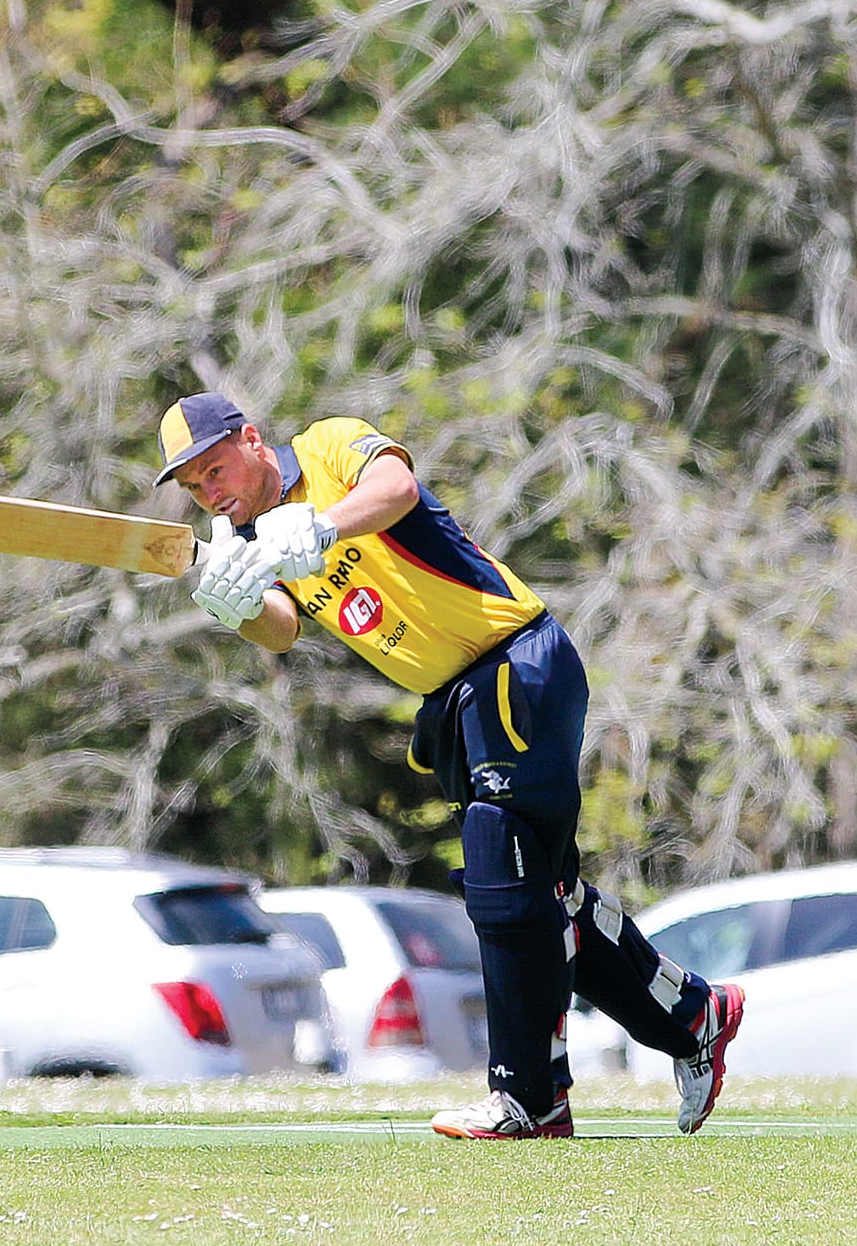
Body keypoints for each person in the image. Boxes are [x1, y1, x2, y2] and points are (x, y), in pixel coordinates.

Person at [153, 391, 744, 1138]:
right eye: (195, 484)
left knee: (504, 886)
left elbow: (397, 487)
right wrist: (228, 596)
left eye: (216, 468)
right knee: (542, 895)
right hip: (450, 700)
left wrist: (322, 525)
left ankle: (529, 1099)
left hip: (514, 660)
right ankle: (695, 1016)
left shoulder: (331, 448)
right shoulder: (239, 532)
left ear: (252, 439)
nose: (212, 490)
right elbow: (279, 632)